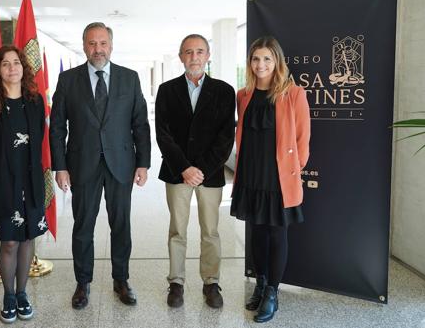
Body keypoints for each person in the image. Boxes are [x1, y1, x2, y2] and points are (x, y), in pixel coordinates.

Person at [50, 22, 151, 309]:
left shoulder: (129, 78)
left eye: (103, 43)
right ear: (84, 46)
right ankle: (83, 283)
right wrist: (60, 166)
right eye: (92, 43)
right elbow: (57, 127)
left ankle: (121, 279)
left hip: (121, 164)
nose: (98, 49)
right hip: (81, 164)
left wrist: (142, 163)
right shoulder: (68, 80)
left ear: (111, 45)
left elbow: (140, 125)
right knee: (83, 225)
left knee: (121, 225)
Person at [230, 36, 310, 323]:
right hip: (250, 174)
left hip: (278, 178)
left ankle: (273, 294)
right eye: (255, 59)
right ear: (250, 63)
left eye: (267, 58)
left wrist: (291, 171)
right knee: (257, 233)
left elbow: (302, 140)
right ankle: (260, 284)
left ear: (277, 61)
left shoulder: (293, 93)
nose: (261, 64)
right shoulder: (243, 95)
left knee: (277, 234)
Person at [155, 34, 235, 309]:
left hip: (209, 174)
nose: (194, 57)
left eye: (200, 51)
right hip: (177, 172)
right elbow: (163, 135)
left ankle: (211, 282)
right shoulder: (167, 90)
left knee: (210, 230)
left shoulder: (224, 91)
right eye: (188, 52)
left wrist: (201, 169)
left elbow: (226, 138)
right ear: (181, 57)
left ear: (208, 55)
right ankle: (176, 282)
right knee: (177, 229)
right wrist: (185, 168)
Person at [0, 45, 48, 324]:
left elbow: (38, 136)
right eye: (5, 64)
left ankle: (22, 293)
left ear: (23, 68)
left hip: (31, 179)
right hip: (2, 182)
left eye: (17, 63)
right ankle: (8, 296)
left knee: (28, 238)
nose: (12, 68)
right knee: (10, 241)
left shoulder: (35, 100)